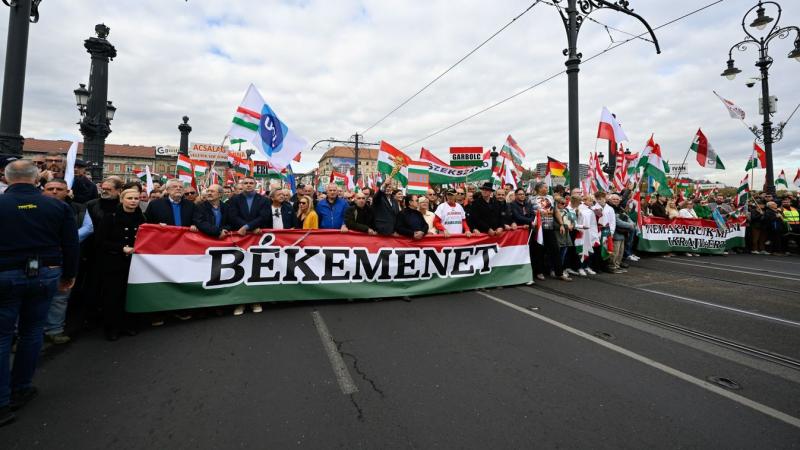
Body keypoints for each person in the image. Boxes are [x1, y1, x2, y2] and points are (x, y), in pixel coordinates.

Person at [0, 160, 79, 426]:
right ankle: (21, 387)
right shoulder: (57, 205)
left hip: (5, 273)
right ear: (37, 178)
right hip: (45, 272)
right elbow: (70, 243)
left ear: (7, 178)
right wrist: (69, 274)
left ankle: (1, 402)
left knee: (2, 336)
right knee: (32, 332)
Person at [41, 179, 94, 345]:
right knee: (33, 298)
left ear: (67, 191)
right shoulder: (35, 207)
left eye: (59, 189)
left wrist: (66, 241)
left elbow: (88, 227)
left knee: (60, 296)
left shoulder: (78, 208)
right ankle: (24, 334)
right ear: (43, 190)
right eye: (51, 188)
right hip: (37, 260)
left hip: (66, 257)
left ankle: (54, 330)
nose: (55, 192)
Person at [95, 187, 146, 341]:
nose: (133, 201)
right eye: (130, 198)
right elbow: (100, 241)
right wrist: (120, 248)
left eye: (136, 198)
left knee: (131, 295)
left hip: (135, 263)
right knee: (113, 296)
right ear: (122, 199)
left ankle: (129, 325)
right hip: (114, 262)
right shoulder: (110, 218)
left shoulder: (142, 218)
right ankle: (112, 328)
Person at [532, 182, 571, 281]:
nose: (547, 188)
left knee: (555, 250)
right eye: (545, 187)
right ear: (539, 189)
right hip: (538, 229)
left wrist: (561, 224)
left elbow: (556, 211)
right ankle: (539, 272)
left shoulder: (550, 198)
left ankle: (559, 273)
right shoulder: (531, 199)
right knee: (539, 251)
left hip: (550, 227)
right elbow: (529, 211)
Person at [509, 188, 536, 285]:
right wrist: (529, 221)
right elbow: (517, 217)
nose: (522, 196)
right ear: (516, 195)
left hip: (529, 232)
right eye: (519, 194)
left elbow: (533, 215)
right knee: (520, 253)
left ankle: (529, 275)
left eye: (523, 194)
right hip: (519, 233)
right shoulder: (512, 205)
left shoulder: (528, 204)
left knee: (530, 253)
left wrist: (530, 221)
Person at [608, 194, 636, 273]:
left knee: (620, 251)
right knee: (615, 252)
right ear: (610, 200)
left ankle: (617, 265)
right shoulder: (610, 209)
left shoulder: (620, 208)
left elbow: (627, 217)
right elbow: (617, 222)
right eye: (614, 199)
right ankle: (612, 266)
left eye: (617, 199)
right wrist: (631, 225)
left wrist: (631, 223)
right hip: (615, 232)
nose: (616, 200)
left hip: (622, 232)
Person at [575, 194, 598, 276]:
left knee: (589, 250)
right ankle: (580, 267)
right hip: (581, 233)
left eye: (592, 201)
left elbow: (593, 224)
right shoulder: (579, 209)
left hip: (589, 233)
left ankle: (587, 266)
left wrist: (595, 235)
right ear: (584, 200)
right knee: (581, 251)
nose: (591, 202)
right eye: (590, 200)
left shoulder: (591, 210)